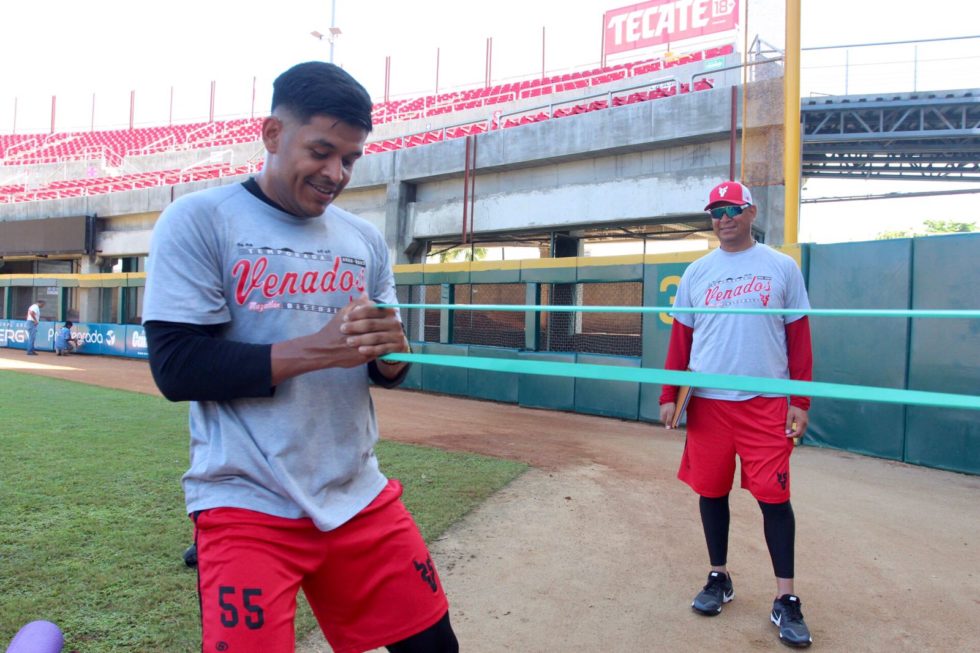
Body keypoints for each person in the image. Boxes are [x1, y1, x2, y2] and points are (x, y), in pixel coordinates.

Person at [142, 62, 458, 653]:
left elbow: (386, 369)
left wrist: (393, 352)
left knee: (434, 648)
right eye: (321, 151)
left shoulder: (363, 239)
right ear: (272, 134)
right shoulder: (200, 219)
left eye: (351, 158)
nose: (336, 173)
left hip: (357, 491)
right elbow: (177, 367)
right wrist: (318, 349)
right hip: (244, 501)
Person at [659, 181, 814, 648]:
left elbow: (799, 338)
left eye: (732, 209)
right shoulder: (697, 272)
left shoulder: (781, 267)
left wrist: (800, 401)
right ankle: (719, 576)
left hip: (766, 402)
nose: (723, 218)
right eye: (716, 211)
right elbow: (681, 340)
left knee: (774, 498)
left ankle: (785, 598)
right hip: (708, 401)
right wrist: (668, 394)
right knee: (711, 491)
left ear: (751, 212)